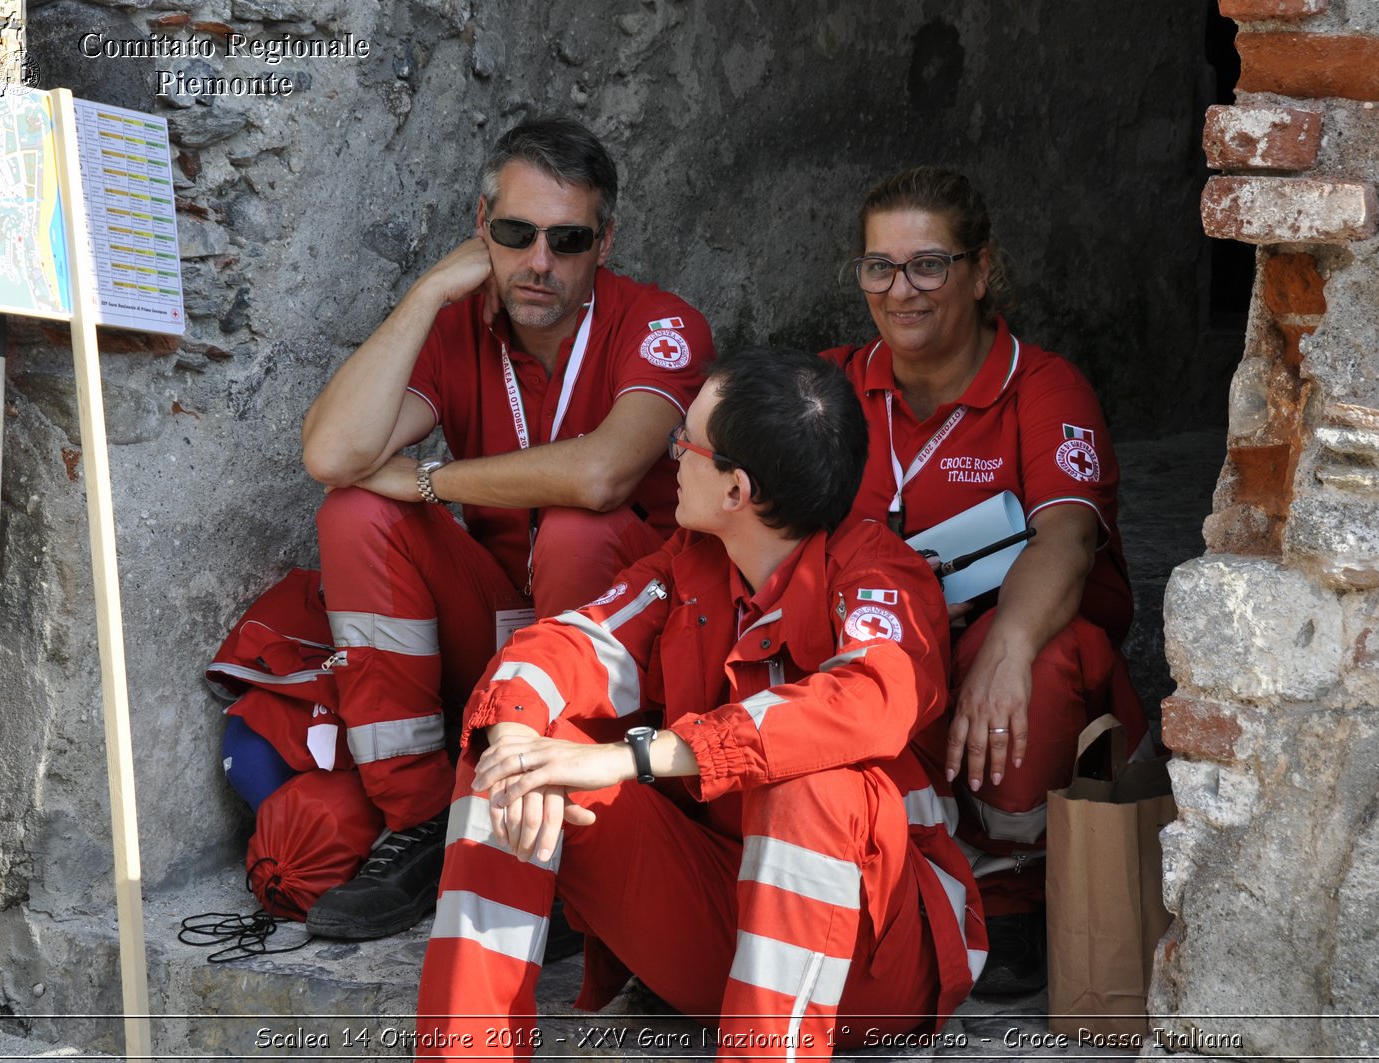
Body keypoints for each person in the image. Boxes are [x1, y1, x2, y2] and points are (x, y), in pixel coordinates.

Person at [414, 347, 986, 1060]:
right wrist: (513, 737)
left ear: (736, 490)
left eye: (685, 444)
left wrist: (635, 757)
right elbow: (568, 646)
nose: (671, 456)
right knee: (515, 754)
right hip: (723, 932)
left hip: (870, 971)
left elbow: (866, 697)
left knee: (808, 780)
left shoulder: (880, 576)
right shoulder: (692, 559)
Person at [296, 115, 713, 938]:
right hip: (496, 618)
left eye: (568, 239)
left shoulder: (661, 323)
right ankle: (419, 821)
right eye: (516, 233)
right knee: (354, 510)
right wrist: (428, 294)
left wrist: (430, 479)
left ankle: (566, 811)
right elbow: (333, 453)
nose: (539, 262)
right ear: (481, 225)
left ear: (605, 241)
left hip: (630, 635)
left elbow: (603, 474)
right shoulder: (457, 323)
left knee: (575, 530)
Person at [824, 166, 1149, 989]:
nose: (902, 290)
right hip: (884, 650)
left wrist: (1007, 639)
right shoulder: (829, 386)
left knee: (1040, 659)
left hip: (995, 653)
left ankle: (1013, 892)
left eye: (929, 264)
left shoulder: (1041, 386)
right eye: (880, 266)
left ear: (980, 271)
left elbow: (1068, 538)